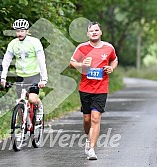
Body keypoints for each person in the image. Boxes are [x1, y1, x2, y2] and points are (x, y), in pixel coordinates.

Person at [69, 21, 118, 160]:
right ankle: (88, 138)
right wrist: (80, 64)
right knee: (87, 119)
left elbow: (114, 60)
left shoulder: (109, 48)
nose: (94, 32)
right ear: (87, 33)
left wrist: (112, 67)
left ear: (100, 32)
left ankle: (91, 149)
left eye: (96, 30)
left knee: (96, 118)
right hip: (85, 88)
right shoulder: (82, 47)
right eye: (91, 31)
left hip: (101, 88)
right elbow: (71, 63)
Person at [1, 19, 48, 121]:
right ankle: (23, 125)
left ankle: (39, 106)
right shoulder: (13, 44)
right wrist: (3, 77)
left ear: (27, 31)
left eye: (22, 31)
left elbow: (41, 60)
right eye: (17, 31)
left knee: (32, 99)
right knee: (19, 101)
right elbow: (6, 61)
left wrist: (44, 79)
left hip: (34, 75)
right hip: (21, 76)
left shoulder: (35, 42)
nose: (20, 33)